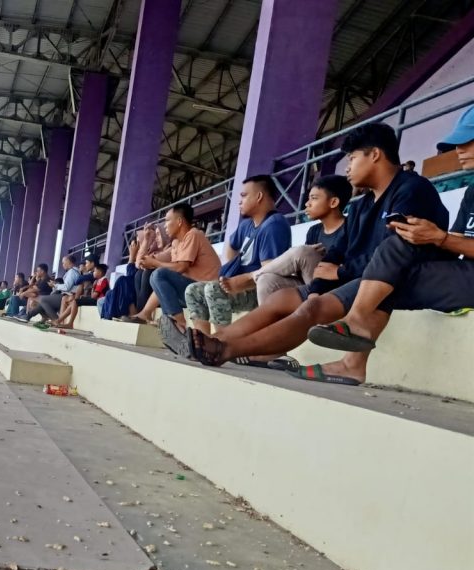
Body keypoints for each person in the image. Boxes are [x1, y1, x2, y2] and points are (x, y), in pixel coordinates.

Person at [186, 122, 451, 381]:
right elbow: (336, 253)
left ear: (375, 155)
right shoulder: (361, 206)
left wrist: (341, 273)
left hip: (396, 280)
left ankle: (226, 350)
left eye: (352, 157)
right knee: (283, 299)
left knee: (311, 311)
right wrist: (315, 290)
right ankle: (214, 340)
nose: (347, 167)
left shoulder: (412, 190)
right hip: (361, 278)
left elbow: (394, 254)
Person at [296, 106, 474, 382]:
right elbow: (462, 241)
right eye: (457, 143)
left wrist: (439, 238)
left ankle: (355, 332)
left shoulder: (411, 187)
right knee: (396, 255)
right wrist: (431, 236)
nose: (459, 150)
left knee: (395, 262)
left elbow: (451, 240)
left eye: (468, 141)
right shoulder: (473, 191)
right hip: (465, 276)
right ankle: (353, 355)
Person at [220, 175, 351, 306]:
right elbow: (303, 271)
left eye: (314, 198)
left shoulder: (350, 228)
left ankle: (251, 275)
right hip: (311, 283)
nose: (307, 203)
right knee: (266, 280)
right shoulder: (314, 231)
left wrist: (310, 256)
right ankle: (269, 324)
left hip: (335, 287)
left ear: (333, 202)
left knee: (302, 251)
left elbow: (354, 265)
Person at [183, 175, 292, 331]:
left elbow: (270, 273)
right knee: (192, 291)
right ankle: (203, 341)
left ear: (259, 196)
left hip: (258, 290)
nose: (240, 201)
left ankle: (223, 345)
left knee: (213, 289)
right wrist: (232, 269)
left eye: (244, 195)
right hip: (241, 285)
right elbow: (231, 245)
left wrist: (240, 282)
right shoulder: (247, 224)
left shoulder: (274, 225)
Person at [143, 203, 221, 351]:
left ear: (179, 222)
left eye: (167, 220)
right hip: (191, 289)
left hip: (206, 291)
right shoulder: (177, 243)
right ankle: (172, 323)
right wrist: (146, 246)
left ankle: (178, 324)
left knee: (159, 274)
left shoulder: (194, 234)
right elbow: (145, 264)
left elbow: (181, 267)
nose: (164, 226)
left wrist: (155, 263)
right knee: (155, 276)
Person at [19, 255, 80, 325]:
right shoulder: (73, 271)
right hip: (64, 295)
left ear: (68, 261)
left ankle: (55, 319)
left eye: (63, 262)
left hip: (67, 296)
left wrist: (55, 285)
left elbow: (67, 287)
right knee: (42, 302)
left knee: (42, 299)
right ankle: (28, 316)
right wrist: (55, 285)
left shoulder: (72, 272)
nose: (62, 264)